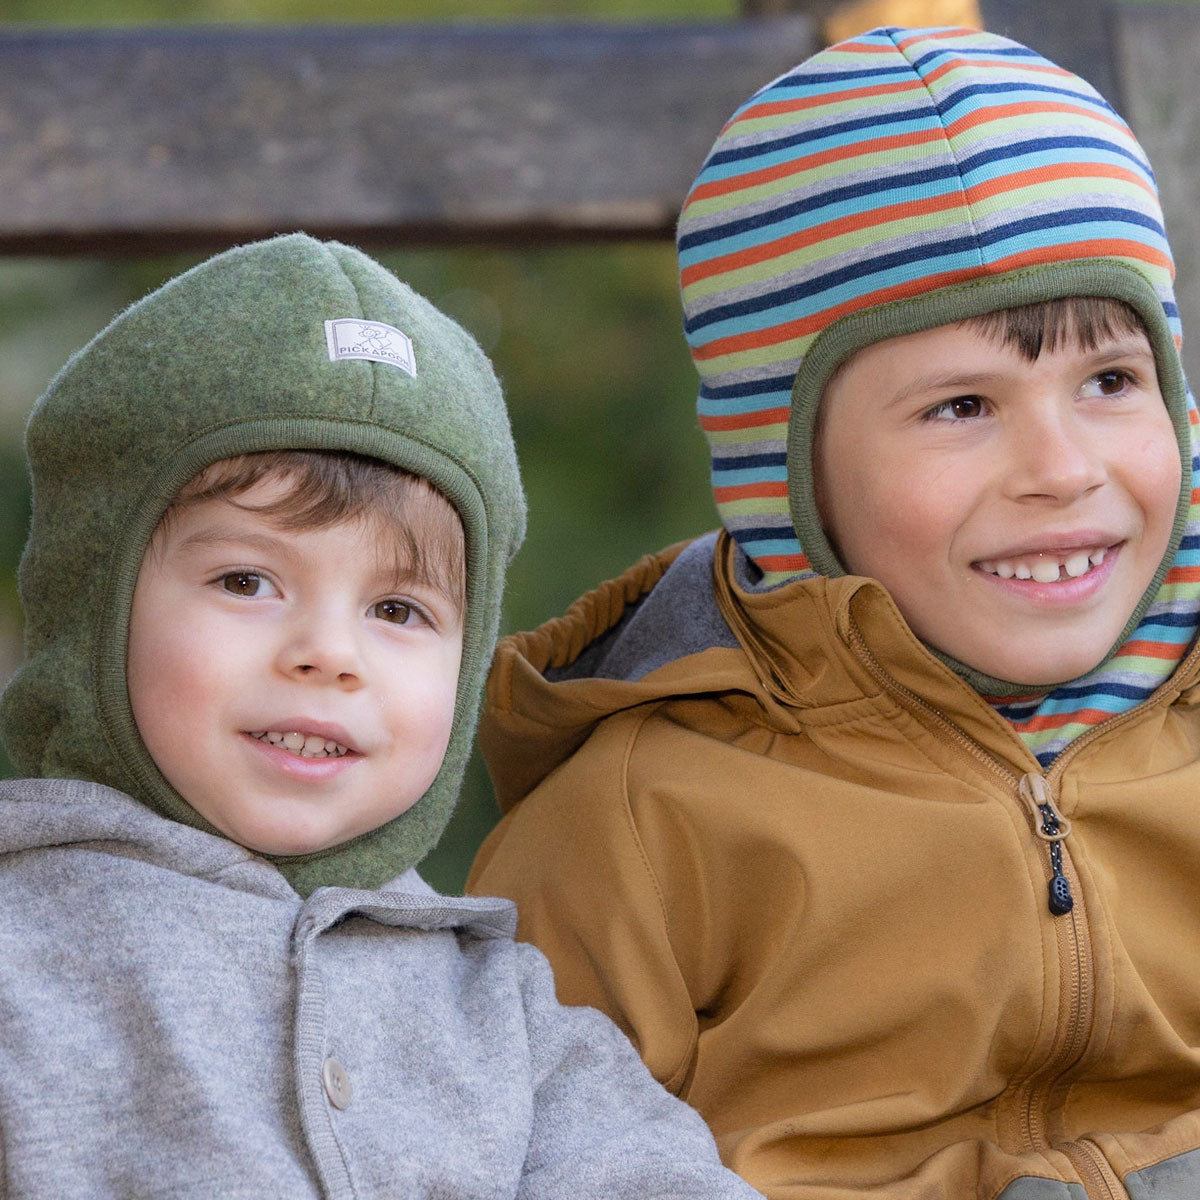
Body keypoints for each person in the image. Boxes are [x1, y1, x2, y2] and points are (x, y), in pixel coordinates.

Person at [467, 26, 1200, 1200]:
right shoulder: (639, 826)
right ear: (784, 472)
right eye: (962, 405)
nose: (1062, 468)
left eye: (1111, 381)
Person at [0, 233, 763, 1199]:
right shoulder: (21, 955)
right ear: (88, 607)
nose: (330, 654)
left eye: (397, 610)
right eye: (247, 580)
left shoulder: (505, 1015)